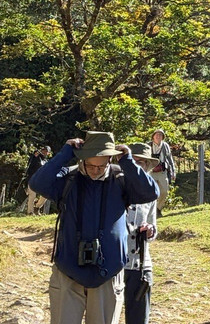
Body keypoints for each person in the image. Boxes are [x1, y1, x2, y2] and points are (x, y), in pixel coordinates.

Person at [29, 131, 159, 324]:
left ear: (110, 159)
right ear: (82, 159)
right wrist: (65, 153)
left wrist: (128, 161)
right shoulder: (68, 179)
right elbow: (37, 183)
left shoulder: (121, 179)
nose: (95, 170)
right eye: (90, 164)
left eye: (101, 165)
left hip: (108, 274)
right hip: (68, 271)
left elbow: (150, 192)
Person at [124, 143, 159, 324]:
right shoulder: (115, 186)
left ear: (147, 166)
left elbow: (153, 226)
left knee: (139, 319)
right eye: (133, 161)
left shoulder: (151, 193)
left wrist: (150, 231)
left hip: (141, 264)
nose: (136, 165)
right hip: (115, 263)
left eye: (141, 162)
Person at [147, 130, 176, 214]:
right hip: (150, 171)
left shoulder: (165, 146)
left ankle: (158, 209)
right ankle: (150, 210)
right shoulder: (148, 145)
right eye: (156, 135)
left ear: (163, 137)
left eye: (160, 135)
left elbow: (170, 159)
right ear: (153, 136)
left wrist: (173, 171)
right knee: (151, 191)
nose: (158, 136)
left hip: (162, 171)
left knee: (164, 191)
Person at [24, 145, 53, 215]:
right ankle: (30, 212)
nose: (44, 152)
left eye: (46, 151)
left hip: (41, 181)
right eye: (43, 150)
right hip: (32, 179)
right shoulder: (35, 157)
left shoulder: (46, 161)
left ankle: (37, 207)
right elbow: (30, 162)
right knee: (32, 195)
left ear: (48, 153)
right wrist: (34, 155)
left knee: (46, 194)